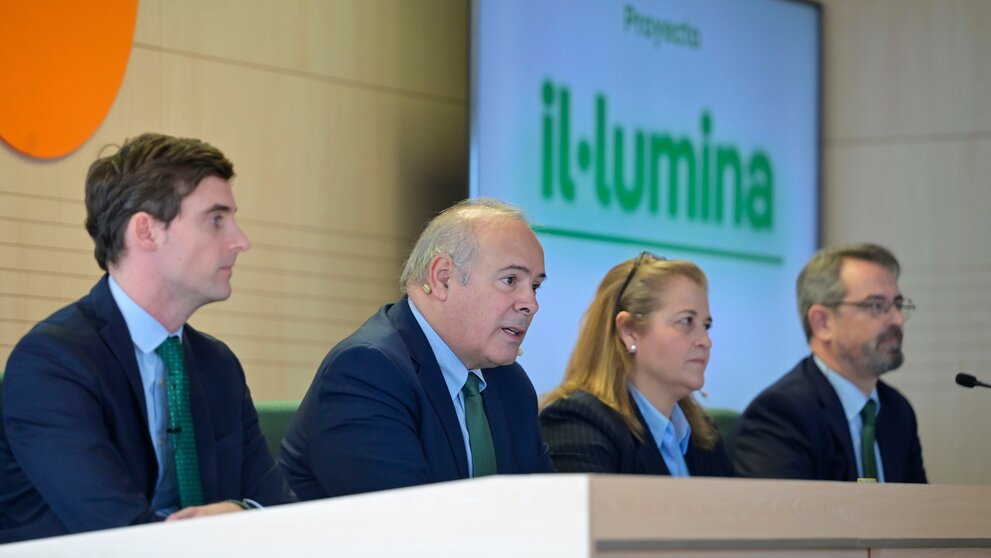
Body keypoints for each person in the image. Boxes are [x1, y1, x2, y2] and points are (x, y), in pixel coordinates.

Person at [0, 133, 296, 543]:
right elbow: (119, 538)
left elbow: (279, 510)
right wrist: (238, 525)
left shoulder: (217, 365)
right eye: (216, 219)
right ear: (146, 231)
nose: (240, 241)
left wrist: (243, 513)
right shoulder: (52, 364)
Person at [280, 198, 554, 499]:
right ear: (443, 278)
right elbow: (406, 527)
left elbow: (548, 511)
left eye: (535, 286)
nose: (531, 303)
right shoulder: (367, 372)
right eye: (510, 280)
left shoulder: (509, 383)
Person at [733, 243, 927, 482]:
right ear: (822, 323)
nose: (897, 319)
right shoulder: (781, 415)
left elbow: (919, 513)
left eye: (897, 305)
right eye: (877, 306)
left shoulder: (896, 410)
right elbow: (786, 517)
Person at [540, 253, 733, 477]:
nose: (705, 341)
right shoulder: (578, 422)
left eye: (706, 326)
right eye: (686, 321)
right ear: (629, 331)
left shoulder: (704, 435)